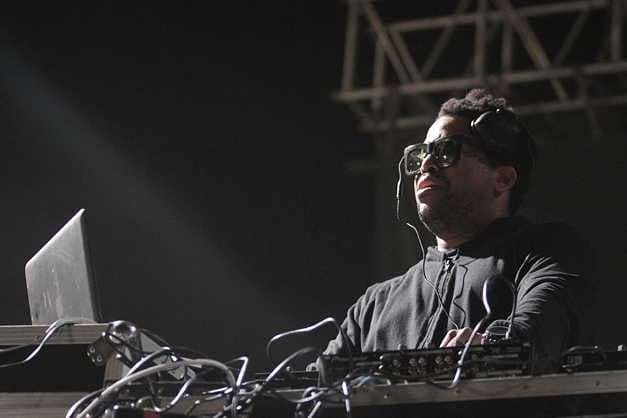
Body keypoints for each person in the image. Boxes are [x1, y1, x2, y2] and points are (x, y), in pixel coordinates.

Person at [325, 88, 596, 371]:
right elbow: (316, 384)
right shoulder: (374, 305)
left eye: (445, 151)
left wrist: (491, 347)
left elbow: (542, 327)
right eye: (420, 155)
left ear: (503, 179)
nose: (425, 165)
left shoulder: (546, 250)